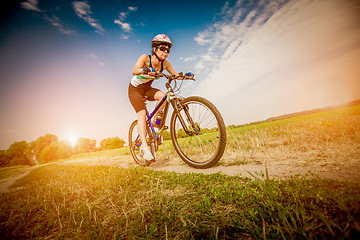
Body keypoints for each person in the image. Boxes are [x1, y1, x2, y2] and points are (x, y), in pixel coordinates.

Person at [128, 34, 179, 162]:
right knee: (142, 114)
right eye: (163, 48)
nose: (166, 52)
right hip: (135, 90)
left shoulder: (165, 64)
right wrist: (145, 70)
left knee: (163, 96)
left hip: (146, 89)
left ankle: (155, 126)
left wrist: (185, 76)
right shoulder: (145, 58)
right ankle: (145, 148)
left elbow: (175, 75)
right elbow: (135, 70)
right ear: (155, 49)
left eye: (168, 50)